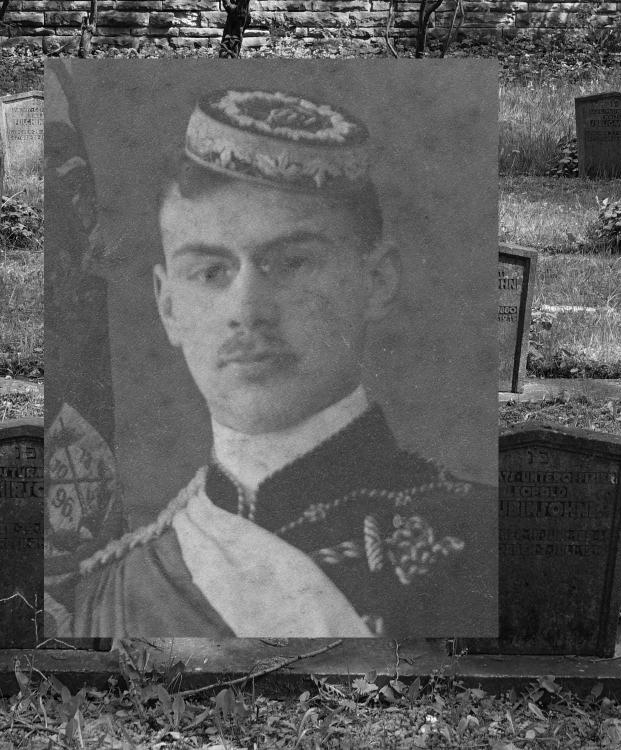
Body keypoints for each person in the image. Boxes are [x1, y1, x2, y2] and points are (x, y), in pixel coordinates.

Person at [69, 88, 493, 639]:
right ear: (168, 306)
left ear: (377, 281)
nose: (247, 312)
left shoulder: (484, 538)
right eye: (210, 272)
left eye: (290, 263)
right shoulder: (111, 591)